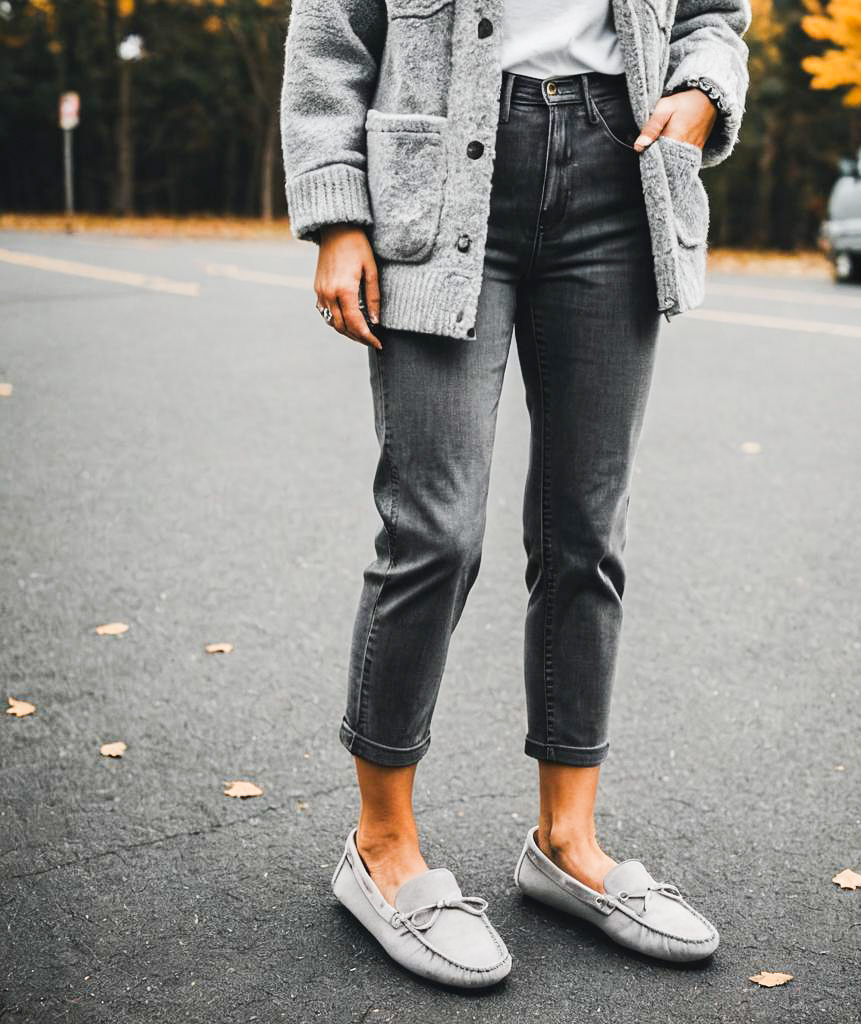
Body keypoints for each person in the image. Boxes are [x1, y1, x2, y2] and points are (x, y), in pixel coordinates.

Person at [280, 0, 751, 989]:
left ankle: (566, 842)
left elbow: (715, 16)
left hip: (618, 172)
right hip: (439, 175)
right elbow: (331, 33)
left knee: (587, 531)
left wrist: (703, 90)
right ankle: (381, 845)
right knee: (435, 532)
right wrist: (335, 213)